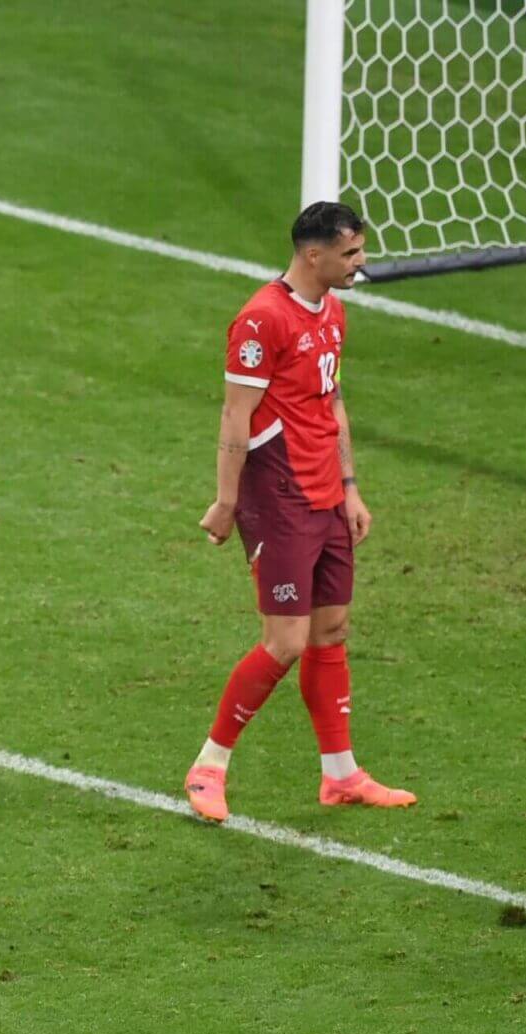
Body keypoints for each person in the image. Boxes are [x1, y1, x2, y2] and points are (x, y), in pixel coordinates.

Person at [185, 202, 415, 822]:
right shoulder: (262, 321)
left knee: (331, 630)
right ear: (314, 254)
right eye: (351, 254)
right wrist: (228, 502)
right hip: (278, 496)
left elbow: (331, 400)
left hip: (325, 495)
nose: (361, 263)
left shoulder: (333, 311)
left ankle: (340, 775)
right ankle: (209, 765)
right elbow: (235, 416)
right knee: (284, 641)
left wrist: (351, 488)